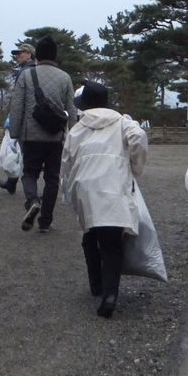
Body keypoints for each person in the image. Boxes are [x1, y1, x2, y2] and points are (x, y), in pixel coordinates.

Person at [62, 81, 148, 318]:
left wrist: (70, 190)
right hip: (113, 187)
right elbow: (139, 137)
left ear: (86, 103)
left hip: (86, 188)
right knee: (111, 243)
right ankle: (110, 294)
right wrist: (134, 167)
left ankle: (96, 285)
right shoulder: (122, 122)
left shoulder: (78, 129)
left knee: (90, 236)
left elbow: (66, 162)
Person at [8, 35, 77, 233]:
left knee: (29, 173)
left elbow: (17, 106)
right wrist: (73, 135)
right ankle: (45, 221)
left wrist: (14, 132)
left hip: (31, 135)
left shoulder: (26, 76)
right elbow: (71, 110)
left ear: (37, 55)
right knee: (52, 178)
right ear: (55, 56)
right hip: (55, 136)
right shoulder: (65, 77)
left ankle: (32, 201)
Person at [0, 43, 37, 194]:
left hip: (23, 116)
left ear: (29, 54)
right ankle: (12, 181)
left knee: (14, 148)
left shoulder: (25, 71)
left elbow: (19, 98)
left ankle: (19, 183)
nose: (17, 55)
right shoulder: (32, 70)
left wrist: (13, 118)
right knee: (20, 150)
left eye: (21, 53)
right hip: (31, 116)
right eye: (16, 53)